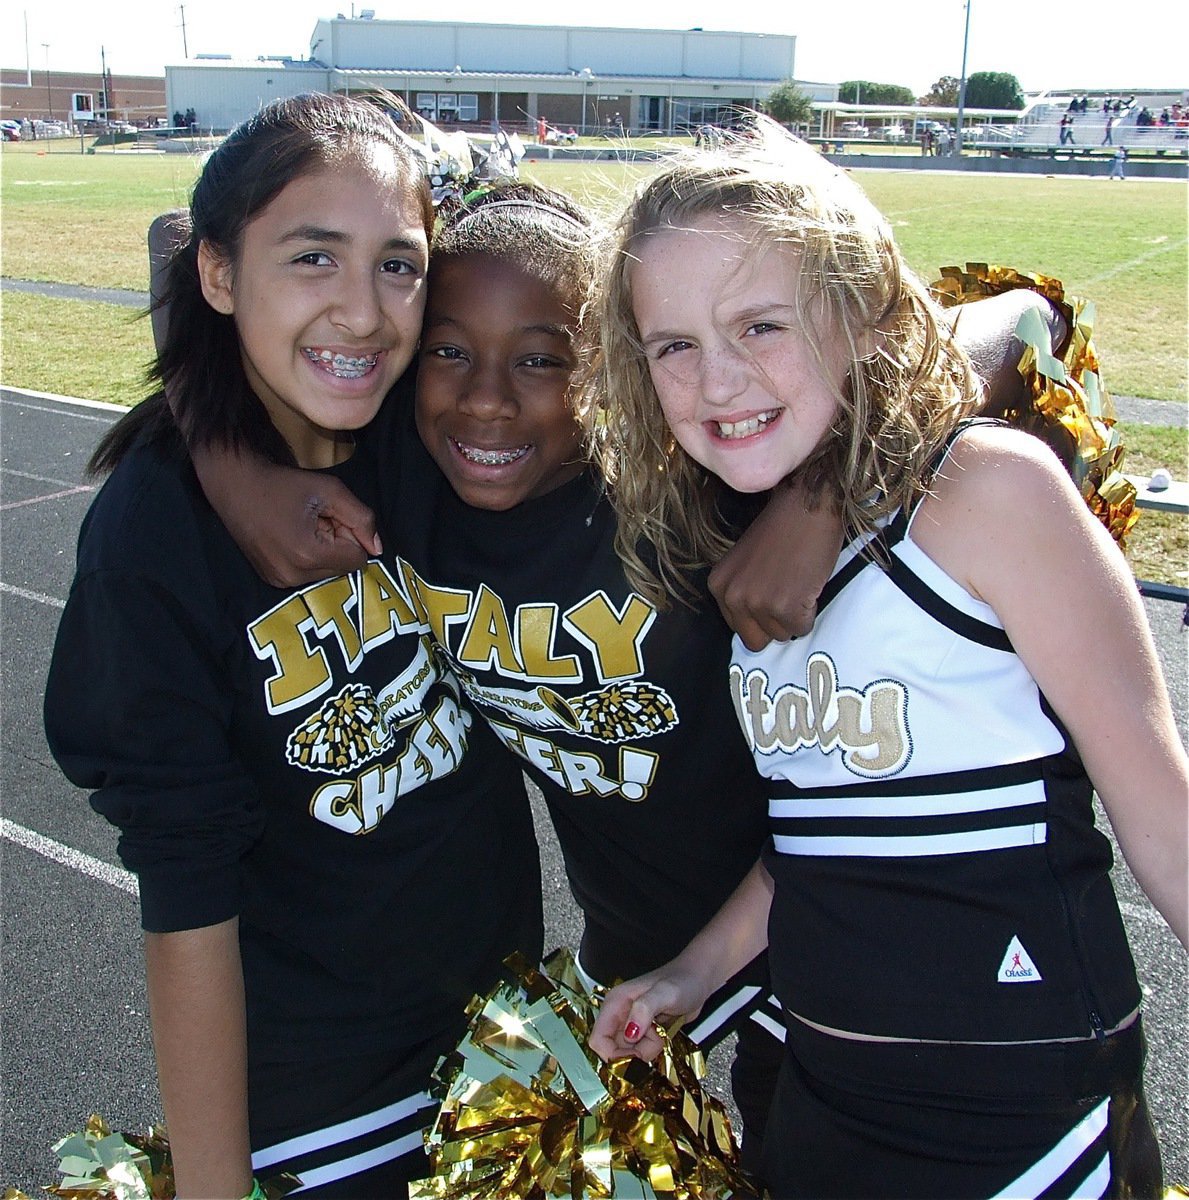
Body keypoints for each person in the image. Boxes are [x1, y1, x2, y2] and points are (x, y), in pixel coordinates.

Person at [154, 167, 1069, 1184]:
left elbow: (1017, 318)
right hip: (639, 962)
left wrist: (821, 491)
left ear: (613, 369)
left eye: (543, 360)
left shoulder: (683, 477)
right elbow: (175, 248)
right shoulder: (400, 474)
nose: (489, 400)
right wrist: (233, 471)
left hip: (812, 933)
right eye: (449, 351)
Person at [586, 118, 1187, 1198]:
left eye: (760, 324)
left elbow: (1162, 818)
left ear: (860, 315)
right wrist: (697, 968)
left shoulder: (983, 493)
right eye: (672, 345)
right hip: (831, 1107)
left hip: (1026, 1125)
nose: (717, 380)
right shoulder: (742, 549)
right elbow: (814, 834)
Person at [43, 93, 544, 1199]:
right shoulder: (152, 539)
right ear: (223, 280)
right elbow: (184, 894)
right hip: (330, 1107)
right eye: (313, 258)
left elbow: (187, 242)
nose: (363, 314)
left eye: (398, 266)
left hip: (507, 1047)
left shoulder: (440, 422)